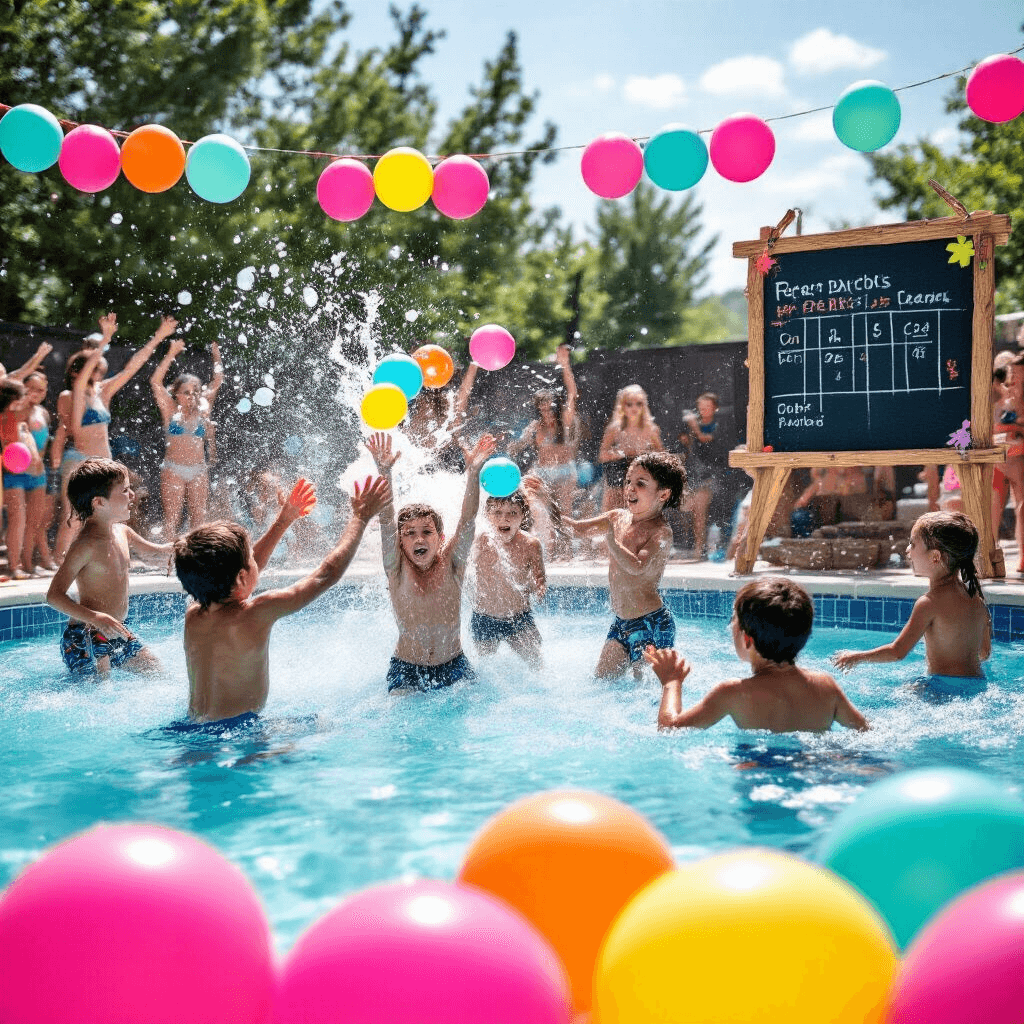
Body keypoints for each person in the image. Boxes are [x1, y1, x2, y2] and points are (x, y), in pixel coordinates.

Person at [172, 474, 390, 724]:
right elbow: (325, 576)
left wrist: (284, 520)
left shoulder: (194, 614)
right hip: (237, 735)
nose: (257, 561)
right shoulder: (255, 613)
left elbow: (239, 574)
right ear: (242, 577)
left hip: (190, 727)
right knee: (326, 725)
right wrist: (360, 517)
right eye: (251, 559)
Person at [366, 428, 496, 692]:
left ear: (441, 537)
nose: (419, 540)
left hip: (455, 665)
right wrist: (385, 472)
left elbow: (468, 519)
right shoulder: (397, 568)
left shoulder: (453, 563)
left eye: (427, 532)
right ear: (401, 542)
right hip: (407, 668)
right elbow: (386, 519)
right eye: (410, 534)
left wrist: (473, 473)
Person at [649, 577, 869, 733]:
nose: (729, 627)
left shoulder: (733, 692)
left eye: (733, 621)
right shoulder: (825, 685)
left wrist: (671, 682)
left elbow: (670, 730)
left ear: (747, 640)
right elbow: (865, 731)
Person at [53, 313, 176, 559]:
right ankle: (59, 564)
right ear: (80, 371)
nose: (100, 373)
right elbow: (72, 428)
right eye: (96, 369)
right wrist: (105, 339)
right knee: (74, 518)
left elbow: (132, 367)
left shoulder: (103, 392)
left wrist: (157, 338)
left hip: (103, 462)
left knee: (107, 517)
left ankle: (95, 561)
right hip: (80, 461)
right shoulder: (72, 395)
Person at [833, 511, 990, 694]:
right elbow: (984, 653)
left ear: (935, 557)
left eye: (913, 544)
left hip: (942, 688)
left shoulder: (928, 603)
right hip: (978, 685)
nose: (908, 550)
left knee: (900, 693)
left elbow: (897, 652)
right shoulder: (976, 599)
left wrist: (856, 657)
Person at [46, 458, 174, 676]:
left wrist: (183, 548)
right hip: (85, 633)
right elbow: (54, 596)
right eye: (124, 490)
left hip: (114, 630)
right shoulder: (85, 546)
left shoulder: (123, 532)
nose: (132, 495)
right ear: (99, 503)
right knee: (99, 695)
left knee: (157, 673)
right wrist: (95, 617)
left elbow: (159, 552)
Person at [564, 451, 685, 678]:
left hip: (652, 624)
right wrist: (545, 503)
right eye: (628, 481)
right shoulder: (617, 518)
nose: (630, 487)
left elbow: (638, 566)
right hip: (621, 623)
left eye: (640, 483)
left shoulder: (661, 532)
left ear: (663, 494)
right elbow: (576, 529)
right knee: (601, 684)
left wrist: (610, 539)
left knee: (646, 695)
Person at [150, 337, 224, 539]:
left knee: (198, 519)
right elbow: (156, 382)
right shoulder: (169, 409)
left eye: (195, 392)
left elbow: (217, 381)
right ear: (176, 394)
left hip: (198, 468)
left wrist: (215, 353)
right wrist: (171, 353)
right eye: (186, 392)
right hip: (174, 467)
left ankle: (195, 557)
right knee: (172, 518)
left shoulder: (202, 410)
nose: (192, 396)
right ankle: (166, 558)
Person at [471, 488, 546, 669]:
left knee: (537, 665)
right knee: (485, 669)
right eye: (497, 512)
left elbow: (540, 577)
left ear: (523, 516)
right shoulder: (480, 541)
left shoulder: (530, 544)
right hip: (485, 618)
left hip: (518, 618)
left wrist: (540, 587)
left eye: (513, 513)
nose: (504, 518)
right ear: (487, 515)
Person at [511, 345, 580, 514]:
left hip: (564, 471)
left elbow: (572, 394)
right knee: (538, 511)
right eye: (542, 409)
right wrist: (511, 446)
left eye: (549, 409)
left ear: (556, 408)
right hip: (542, 471)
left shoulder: (564, 422)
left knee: (564, 512)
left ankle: (567, 539)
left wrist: (565, 364)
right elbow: (517, 446)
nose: (546, 413)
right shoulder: (535, 426)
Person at [1, 374, 54, 578]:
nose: (36, 393)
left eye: (41, 390)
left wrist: (37, 455)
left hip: (37, 471)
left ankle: (28, 565)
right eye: (31, 389)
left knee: (34, 521)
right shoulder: (13, 411)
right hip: (15, 471)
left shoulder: (42, 412)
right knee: (18, 519)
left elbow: (35, 438)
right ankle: (14, 566)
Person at [678, 392, 730, 558]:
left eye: (707, 407)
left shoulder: (719, 425)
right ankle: (690, 543)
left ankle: (699, 548)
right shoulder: (693, 424)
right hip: (694, 473)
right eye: (701, 408)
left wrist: (695, 429)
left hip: (712, 475)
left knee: (699, 510)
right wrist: (686, 438)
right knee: (685, 508)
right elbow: (686, 444)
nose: (704, 410)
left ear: (715, 408)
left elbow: (706, 439)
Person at [597, 385, 663, 512]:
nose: (634, 408)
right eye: (629, 404)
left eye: (639, 404)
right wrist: (622, 453)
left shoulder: (651, 429)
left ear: (644, 406)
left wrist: (644, 454)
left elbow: (661, 455)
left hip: (641, 476)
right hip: (617, 478)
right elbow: (602, 456)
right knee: (612, 512)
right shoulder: (614, 429)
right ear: (622, 406)